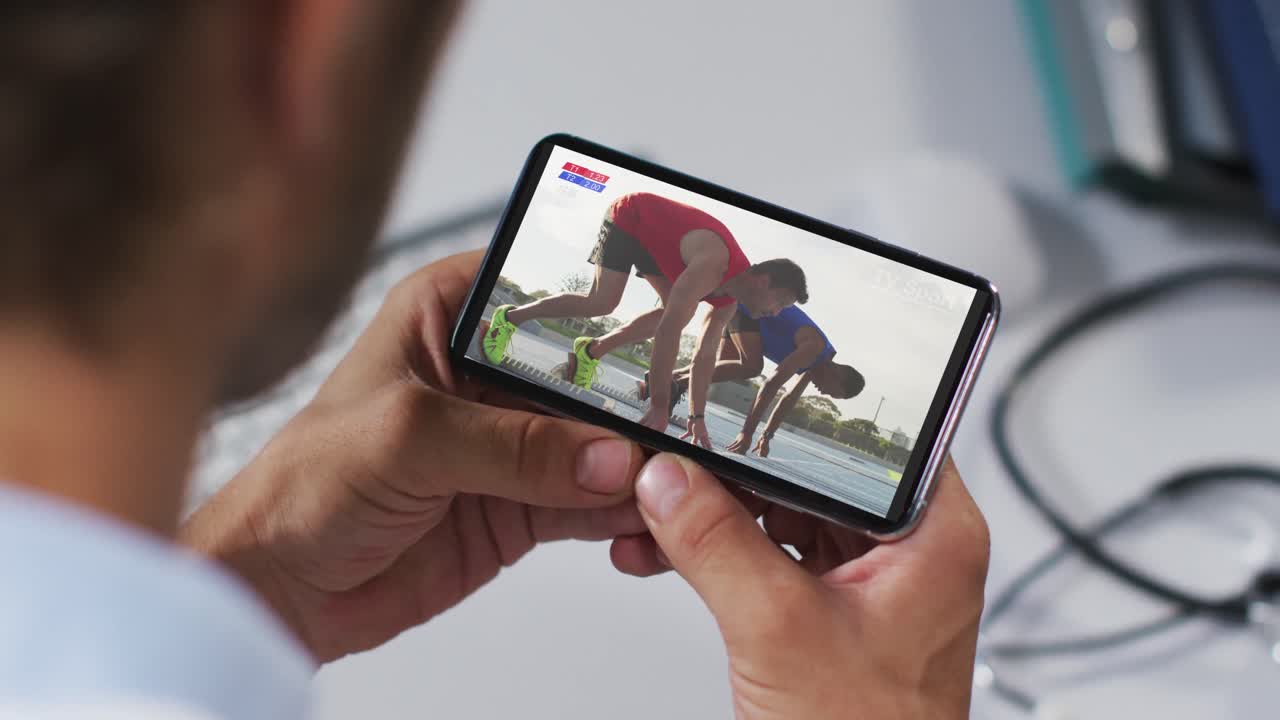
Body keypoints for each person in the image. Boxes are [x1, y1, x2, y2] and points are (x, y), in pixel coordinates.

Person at [0, 2, 990, 719]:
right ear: (297, 47)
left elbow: (718, 362)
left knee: (599, 314)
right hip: (638, 235)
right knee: (606, 314)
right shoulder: (723, 274)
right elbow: (673, 341)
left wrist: (247, 585)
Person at [480, 190, 808, 441]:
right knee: (602, 302)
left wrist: (696, 418)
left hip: (662, 246)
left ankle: (590, 351)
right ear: (764, 282)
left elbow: (704, 357)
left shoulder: (728, 303)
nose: (775, 313)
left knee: (673, 309)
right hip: (632, 217)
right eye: (780, 302)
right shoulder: (715, 264)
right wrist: (660, 404)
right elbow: (669, 332)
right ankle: (510, 318)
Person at [633, 303, 865, 456]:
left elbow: (788, 398)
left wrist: (767, 435)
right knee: (752, 366)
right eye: (830, 391)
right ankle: (670, 384)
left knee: (720, 367)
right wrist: (747, 433)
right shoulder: (815, 349)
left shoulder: (816, 366)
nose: (822, 392)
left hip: (750, 325)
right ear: (838, 376)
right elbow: (771, 384)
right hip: (748, 308)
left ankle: (660, 381)